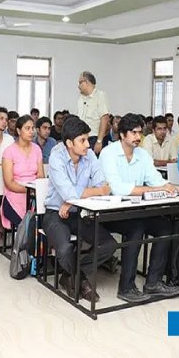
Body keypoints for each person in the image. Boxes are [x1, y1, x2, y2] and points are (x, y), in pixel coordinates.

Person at [99, 114, 179, 302]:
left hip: (137, 209)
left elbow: (157, 180)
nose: (138, 136)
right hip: (111, 211)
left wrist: (176, 189)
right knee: (136, 228)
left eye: (140, 132)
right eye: (133, 132)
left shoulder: (142, 155)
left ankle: (153, 282)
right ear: (122, 134)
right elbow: (117, 188)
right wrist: (153, 189)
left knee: (164, 227)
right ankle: (126, 287)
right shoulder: (109, 153)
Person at [42, 116, 112, 302]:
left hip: (79, 212)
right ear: (69, 143)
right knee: (64, 249)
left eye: (88, 140)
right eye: (82, 141)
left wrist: (73, 199)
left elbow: (103, 185)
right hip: (55, 213)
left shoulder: (89, 155)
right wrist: (74, 197)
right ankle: (80, 280)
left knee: (109, 245)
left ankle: (71, 276)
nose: (87, 145)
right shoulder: (56, 156)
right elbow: (69, 193)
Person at [1, 115, 45, 230]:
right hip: (14, 196)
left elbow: (41, 176)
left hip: (34, 195)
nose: (31, 131)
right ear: (19, 131)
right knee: (28, 225)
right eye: (27, 128)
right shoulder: (9, 151)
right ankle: (24, 245)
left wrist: (35, 191)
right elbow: (9, 183)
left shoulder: (37, 149)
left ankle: (37, 246)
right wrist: (29, 191)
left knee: (44, 220)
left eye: (33, 128)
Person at [77, 71, 110, 154]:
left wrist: (99, 141)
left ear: (87, 82)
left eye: (80, 82)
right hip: (82, 138)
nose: (78, 86)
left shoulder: (100, 96)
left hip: (94, 138)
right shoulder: (81, 98)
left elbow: (104, 118)